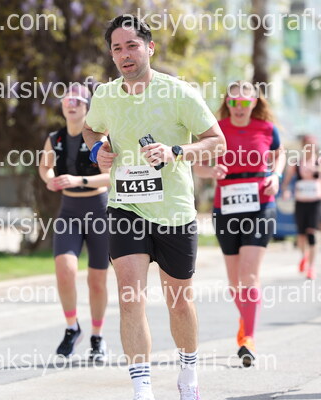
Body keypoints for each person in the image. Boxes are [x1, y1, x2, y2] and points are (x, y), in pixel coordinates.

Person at [82, 15, 225, 400]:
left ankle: (189, 374)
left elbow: (216, 141)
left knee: (179, 302)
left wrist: (176, 151)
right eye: (117, 48)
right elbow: (90, 128)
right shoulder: (106, 95)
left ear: (150, 48)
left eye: (132, 46)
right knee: (130, 298)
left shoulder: (178, 92)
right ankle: (142, 389)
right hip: (125, 207)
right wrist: (97, 150)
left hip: (174, 211)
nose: (125, 54)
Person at [193, 81, 285, 367]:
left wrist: (276, 176)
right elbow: (197, 165)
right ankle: (246, 319)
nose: (239, 107)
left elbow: (279, 154)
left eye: (245, 102)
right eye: (234, 102)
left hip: (261, 206)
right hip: (227, 209)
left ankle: (248, 339)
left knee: (249, 275)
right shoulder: (216, 129)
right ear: (228, 103)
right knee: (235, 282)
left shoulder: (267, 129)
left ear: (254, 103)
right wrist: (211, 171)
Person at [39, 84, 111, 360]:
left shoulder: (98, 137)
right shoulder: (55, 138)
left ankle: (97, 337)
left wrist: (79, 180)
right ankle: (72, 327)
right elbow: (45, 167)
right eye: (67, 101)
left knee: (97, 280)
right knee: (65, 269)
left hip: (98, 211)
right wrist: (50, 180)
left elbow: (111, 176)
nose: (72, 105)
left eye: (77, 102)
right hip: (69, 211)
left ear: (87, 107)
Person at [281, 135, 321, 280]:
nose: (310, 147)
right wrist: (285, 190)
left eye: (313, 145)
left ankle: (311, 267)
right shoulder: (297, 163)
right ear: (303, 146)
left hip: (315, 202)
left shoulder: (320, 160)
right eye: (308, 145)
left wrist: (318, 167)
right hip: (301, 202)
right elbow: (286, 180)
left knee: (312, 232)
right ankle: (304, 256)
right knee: (301, 235)